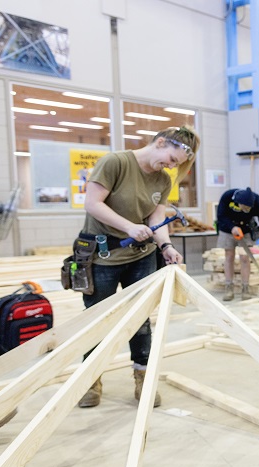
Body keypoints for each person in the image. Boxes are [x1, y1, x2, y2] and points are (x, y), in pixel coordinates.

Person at [77, 126, 201, 409]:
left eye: (176, 165)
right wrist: (129, 226)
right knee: (98, 319)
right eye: (170, 159)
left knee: (140, 319)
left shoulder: (162, 180)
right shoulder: (115, 163)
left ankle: (142, 377)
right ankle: (90, 380)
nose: (170, 167)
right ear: (159, 143)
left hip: (140, 256)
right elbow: (92, 204)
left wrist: (166, 247)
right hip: (103, 255)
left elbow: (157, 217)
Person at [216, 187, 259, 301]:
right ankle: (228, 287)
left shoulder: (258, 201)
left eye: (248, 208)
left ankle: (246, 288)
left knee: (245, 257)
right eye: (244, 208)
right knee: (229, 256)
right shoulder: (228, 196)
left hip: (246, 229)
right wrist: (232, 227)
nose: (246, 210)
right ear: (238, 202)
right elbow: (220, 216)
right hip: (227, 229)